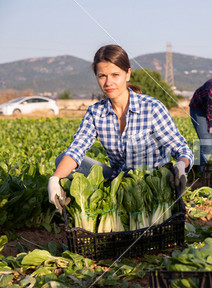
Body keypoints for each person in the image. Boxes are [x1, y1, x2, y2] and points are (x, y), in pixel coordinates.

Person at [48, 44, 193, 213]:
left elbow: (181, 149)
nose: (108, 82)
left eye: (115, 75)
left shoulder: (152, 108)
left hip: (153, 184)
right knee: (62, 161)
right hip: (119, 180)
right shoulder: (96, 112)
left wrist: (181, 166)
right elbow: (77, 149)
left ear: (128, 74)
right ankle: (109, 201)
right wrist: (55, 179)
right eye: (102, 76)